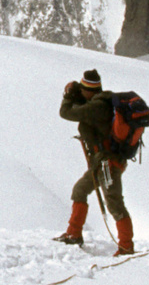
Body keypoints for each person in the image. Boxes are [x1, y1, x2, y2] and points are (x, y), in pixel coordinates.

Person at [55, 68, 133, 255]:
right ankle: (74, 234)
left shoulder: (97, 107)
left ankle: (126, 246)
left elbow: (66, 113)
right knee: (80, 190)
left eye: (83, 88)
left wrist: (67, 95)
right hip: (100, 163)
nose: (80, 91)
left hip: (108, 163)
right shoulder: (100, 102)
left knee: (114, 203)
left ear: (89, 90)